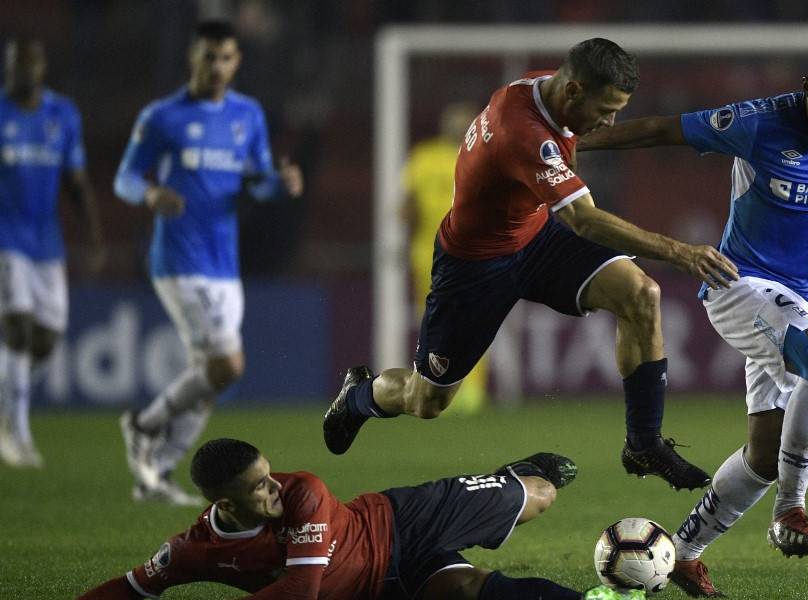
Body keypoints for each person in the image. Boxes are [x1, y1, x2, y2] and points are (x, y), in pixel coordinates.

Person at [577, 36, 808, 596]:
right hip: (737, 284)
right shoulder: (758, 120)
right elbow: (663, 131)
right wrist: (571, 142)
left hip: (799, 300)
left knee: (764, 456)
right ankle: (790, 511)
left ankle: (683, 554)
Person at [324, 38, 739, 493]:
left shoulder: (547, 86)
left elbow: (573, 148)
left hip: (536, 237)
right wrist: (680, 252)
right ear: (575, 91)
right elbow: (582, 219)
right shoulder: (522, 132)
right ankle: (360, 396)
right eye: (607, 108)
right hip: (474, 266)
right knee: (427, 400)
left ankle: (644, 443)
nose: (610, 120)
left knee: (641, 294)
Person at [113, 20, 303, 505]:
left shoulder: (247, 115)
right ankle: (144, 423)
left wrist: (279, 182)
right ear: (191, 58)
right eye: (208, 57)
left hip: (223, 261)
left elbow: (256, 182)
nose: (216, 67)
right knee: (227, 364)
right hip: (177, 257)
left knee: (211, 378)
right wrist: (151, 191)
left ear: (236, 61)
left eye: (225, 58)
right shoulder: (163, 116)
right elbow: (124, 179)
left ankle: (154, 473)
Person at [78, 438, 644, 600]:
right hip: (384, 584)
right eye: (257, 488)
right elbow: (133, 585)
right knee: (469, 589)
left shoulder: (303, 493)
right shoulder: (194, 550)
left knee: (542, 494)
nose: (275, 487)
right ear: (223, 505)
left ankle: (513, 474)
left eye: (269, 474)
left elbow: (302, 589)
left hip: (403, 522)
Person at [0, 37, 104, 468]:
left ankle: (9, 409)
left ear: (42, 68)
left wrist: (95, 236)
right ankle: (17, 432)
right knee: (18, 327)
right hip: (6, 238)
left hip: (48, 241)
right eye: (15, 64)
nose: (23, 72)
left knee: (46, 336)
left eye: (30, 64)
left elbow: (76, 182)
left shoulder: (63, 115)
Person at [402, 102, 489, 414]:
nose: (459, 126)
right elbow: (408, 204)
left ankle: (471, 391)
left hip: (474, 251)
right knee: (437, 321)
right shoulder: (424, 156)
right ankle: (436, 385)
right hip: (429, 252)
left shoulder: (483, 153)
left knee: (476, 317)